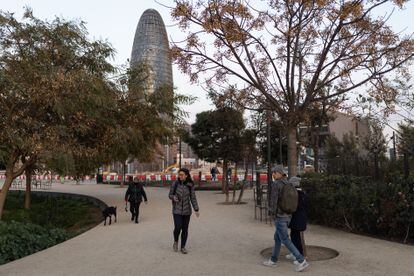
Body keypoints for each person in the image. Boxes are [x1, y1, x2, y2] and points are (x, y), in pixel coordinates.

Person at [263, 167, 310, 272]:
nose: (273, 175)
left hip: (280, 216)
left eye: (274, 173)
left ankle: (301, 260)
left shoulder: (276, 184)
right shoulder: (288, 183)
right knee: (277, 238)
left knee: (284, 239)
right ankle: (273, 260)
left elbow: (273, 201)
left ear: (278, 173)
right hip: (288, 215)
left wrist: (271, 214)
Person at [169, 168, 200, 254]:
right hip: (176, 210)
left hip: (187, 211)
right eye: (179, 174)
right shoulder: (175, 184)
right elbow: (170, 195)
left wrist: (196, 209)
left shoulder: (190, 185)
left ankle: (183, 247)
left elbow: (193, 198)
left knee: (185, 229)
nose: (180, 176)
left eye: (182, 175)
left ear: (186, 175)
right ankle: (175, 241)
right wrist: (173, 197)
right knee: (178, 227)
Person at [286, 176, 308, 262]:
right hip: (298, 219)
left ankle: (301, 256)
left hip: (298, 219)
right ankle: (295, 253)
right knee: (294, 236)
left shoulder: (297, 194)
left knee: (297, 238)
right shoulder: (302, 194)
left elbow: (294, 207)